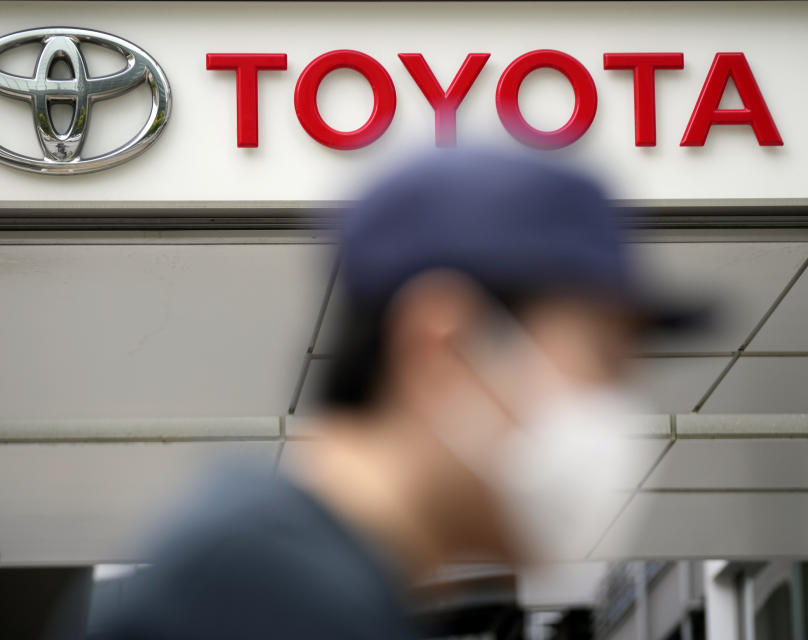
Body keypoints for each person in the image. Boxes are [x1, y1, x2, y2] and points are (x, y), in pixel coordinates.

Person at [90, 150, 700, 640]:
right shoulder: (264, 599)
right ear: (443, 350)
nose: (622, 412)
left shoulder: (291, 572)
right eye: (603, 361)